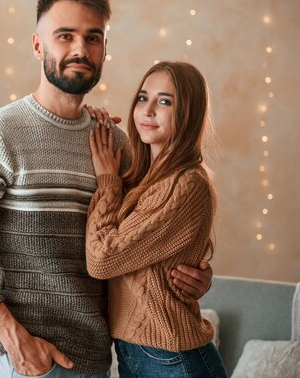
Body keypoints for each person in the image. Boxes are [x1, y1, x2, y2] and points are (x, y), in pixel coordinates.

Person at [0, 0, 213, 378]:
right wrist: (15, 340)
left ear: (103, 51)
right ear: (37, 46)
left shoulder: (115, 143)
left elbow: (149, 232)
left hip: (99, 359)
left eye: (92, 38)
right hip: (30, 362)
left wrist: (196, 272)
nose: (80, 49)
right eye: (65, 36)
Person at [85, 61, 228, 377]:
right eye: (142, 98)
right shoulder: (140, 178)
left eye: (165, 101)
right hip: (133, 353)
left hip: (173, 358)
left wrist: (107, 181)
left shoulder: (186, 183)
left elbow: (101, 259)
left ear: (187, 113)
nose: (147, 110)